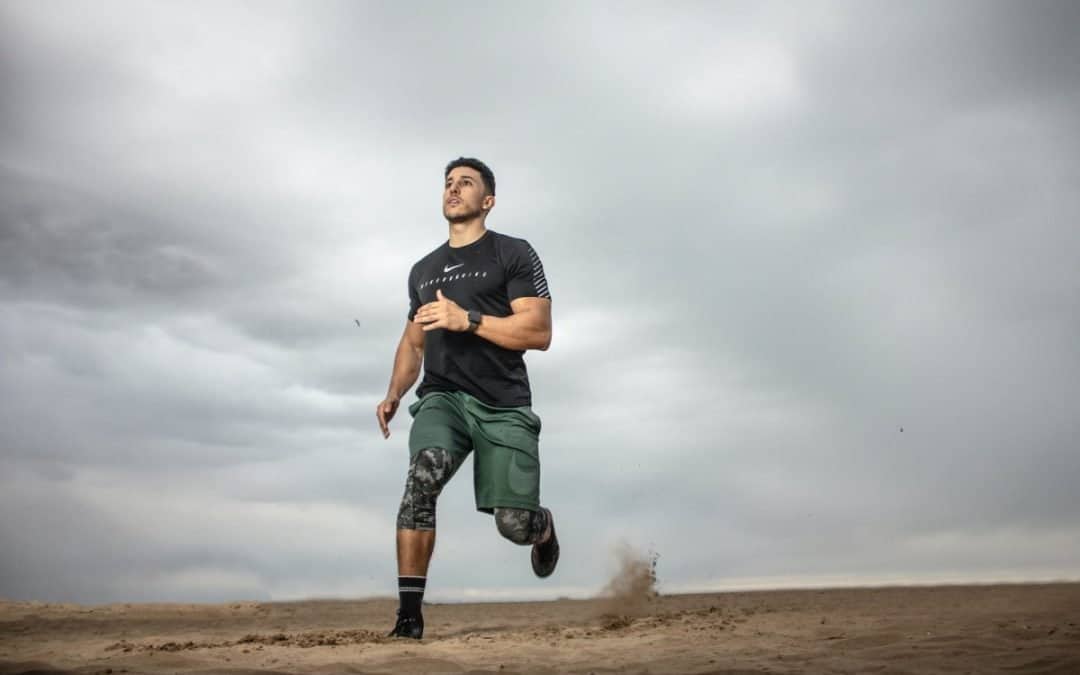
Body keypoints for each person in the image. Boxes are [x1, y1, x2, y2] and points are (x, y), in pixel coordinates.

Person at [375, 157, 559, 640]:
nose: (454, 189)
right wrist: (395, 391)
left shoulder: (513, 253)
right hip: (444, 398)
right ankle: (409, 618)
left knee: (513, 525)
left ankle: (542, 526)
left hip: (502, 403)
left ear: (488, 201)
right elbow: (413, 341)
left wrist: (469, 320)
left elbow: (538, 332)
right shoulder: (424, 269)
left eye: (467, 183)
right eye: (448, 183)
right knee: (421, 480)